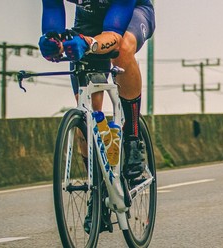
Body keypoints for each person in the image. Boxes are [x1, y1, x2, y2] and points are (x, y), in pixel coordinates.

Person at [39, 0, 155, 233]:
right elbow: (52, 9)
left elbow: (114, 34)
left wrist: (88, 42)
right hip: (88, 20)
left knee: (121, 51)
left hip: (131, 12)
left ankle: (132, 138)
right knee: (88, 117)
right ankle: (98, 188)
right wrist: (52, 41)